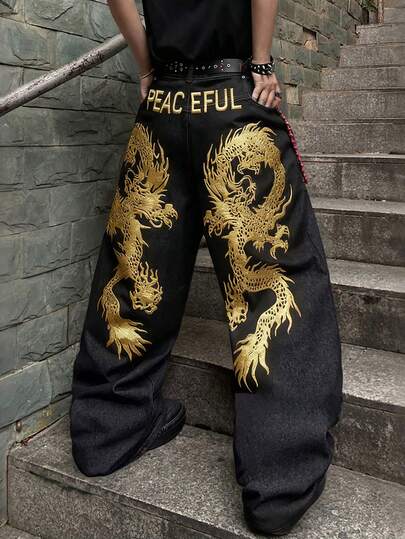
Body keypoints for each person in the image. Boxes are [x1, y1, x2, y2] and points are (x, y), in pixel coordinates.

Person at [69, 0, 343, 535]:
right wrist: (260, 61)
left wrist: (146, 68)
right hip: (234, 98)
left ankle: (107, 433)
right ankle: (279, 482)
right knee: (272, 279)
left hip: (164, 103)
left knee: (134, 271)